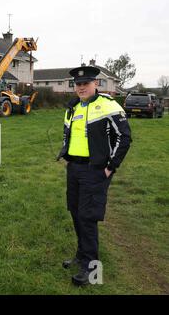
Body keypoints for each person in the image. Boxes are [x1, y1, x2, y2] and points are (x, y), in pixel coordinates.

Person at [57, 66, 132, 286]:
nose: (81, 87)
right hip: (75, 168)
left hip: (95, 170)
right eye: (78, 84)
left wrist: (110, 167)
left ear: (95, 84)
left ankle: (92, 269)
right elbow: (67, 135)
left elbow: (124, 138)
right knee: (75, 212)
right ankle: (82, 255)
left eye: (85, 84)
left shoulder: (108, 106)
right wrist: (67, 156)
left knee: (88, 217)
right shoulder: (72, 108)